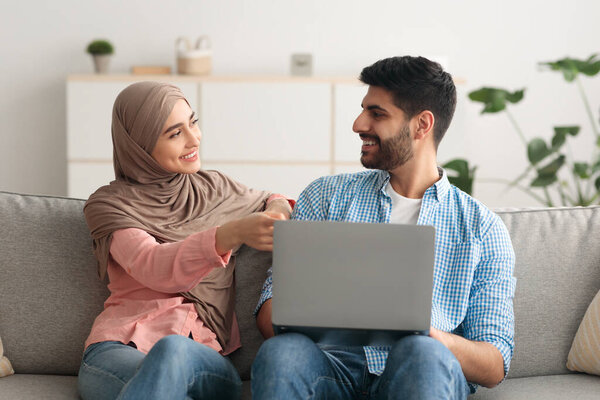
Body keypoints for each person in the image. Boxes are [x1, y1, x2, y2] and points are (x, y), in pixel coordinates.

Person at [252, 56, 516, 399]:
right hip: (332, 368)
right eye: (363, 110)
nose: (358, 124)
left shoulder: (482, 229)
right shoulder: (326, 197)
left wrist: (425, 336)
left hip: (418, 370)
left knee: (422, 353)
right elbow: (271, 309)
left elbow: (494, 363)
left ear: (422, 125)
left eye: (377, 114)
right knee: (281, 353)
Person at [77, 81, 293, 400]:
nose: (194, 139)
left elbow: (273, 199)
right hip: (117, 350)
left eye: (193, 122)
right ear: (139, 144)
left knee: (173, 351)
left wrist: (276, 211)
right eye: (175, 133)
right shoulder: (109, 206)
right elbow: (154, 265)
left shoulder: (217, 189)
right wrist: (227, 235)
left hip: (202, 360)